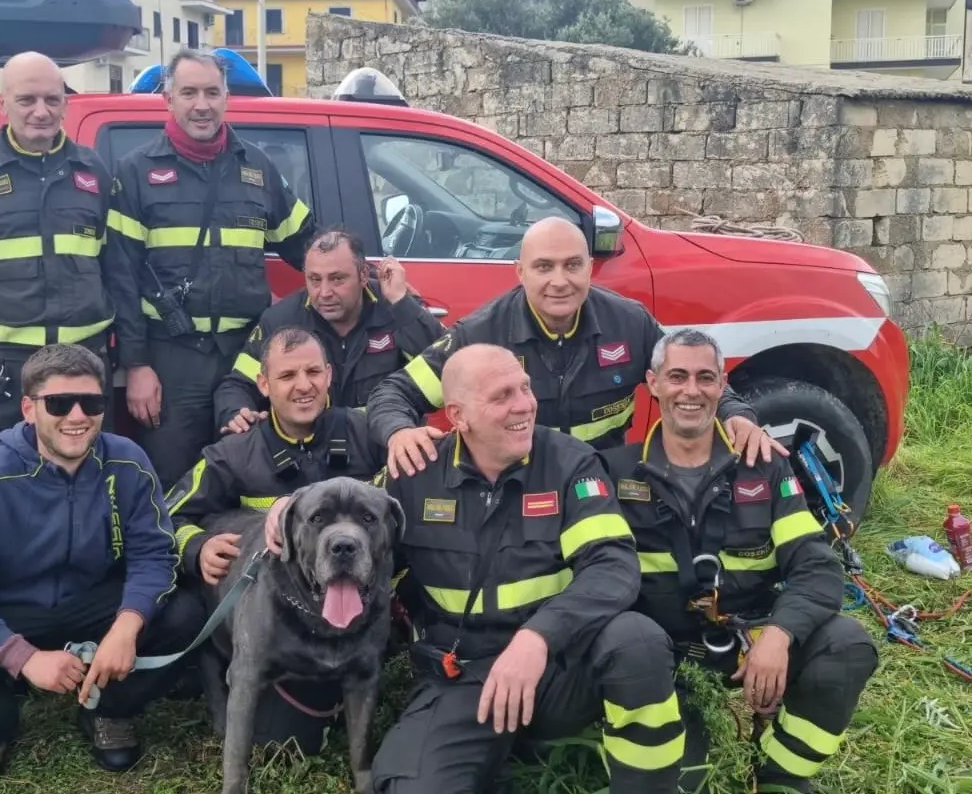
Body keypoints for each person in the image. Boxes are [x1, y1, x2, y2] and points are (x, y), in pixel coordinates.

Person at [266, 344, 685, 794]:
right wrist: (291, 506)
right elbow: (354, 516)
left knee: (636, 641)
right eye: (502, 396)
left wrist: (539, 637)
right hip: (463, 678)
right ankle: (491, 755)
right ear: (458, 416)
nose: (523, 404)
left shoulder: (569, 462)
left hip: (559, 669)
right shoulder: (417, 472)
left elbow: (612, 565)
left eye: (524, 388)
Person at [0, 343, 206, 789]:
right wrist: (23, 657)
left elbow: (154, 554)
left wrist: (127, 626)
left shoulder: (129, 462)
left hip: (92, 602)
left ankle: (107, 709)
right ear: (28, 408)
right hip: (8, 608)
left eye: (93, 402)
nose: (78, 416)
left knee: (185, 615)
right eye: (60, 403)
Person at [601, 328, 877, 794]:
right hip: (659, 660)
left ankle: (782, 777)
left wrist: (779, 636)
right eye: (677, 376)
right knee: (686, 780)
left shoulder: (765, 466)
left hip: (746, 643)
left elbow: (816, 566)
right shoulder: (612, 472)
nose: (691, 391)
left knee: (846, 643)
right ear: (652, 383)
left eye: (706, 377)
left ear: (722, 384)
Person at [367, 216, 781, 480]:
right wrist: (399, 431)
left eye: (572, 265)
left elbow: (690, 375)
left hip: (605, 478)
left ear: (589, 266)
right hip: (517, 482)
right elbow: (393, 393)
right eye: (544, 267)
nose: (560, 281)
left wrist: (738, 416)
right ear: (520, 272)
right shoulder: (481, 333)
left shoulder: (629, 323)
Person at [164, 326, 388, 755]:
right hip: (275, 622)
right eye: (287, 376)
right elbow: (167, 515)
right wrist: (197, 548)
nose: (303, 386)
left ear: (329, 376)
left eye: (312, 372)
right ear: (263, 385)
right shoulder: (233, 453)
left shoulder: (366, 431)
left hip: (358, 610)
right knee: (285, 742)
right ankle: (220, 665)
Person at [107, 48, 317, 486]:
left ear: (226, 97)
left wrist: (364, 276)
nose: (201, 104)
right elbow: (121, 279)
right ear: (168, 98)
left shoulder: (256, 167)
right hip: (171, 360)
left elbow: (306, 244)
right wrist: (137, 367)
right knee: (172, 480)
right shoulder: (135, 173)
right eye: (188, 92)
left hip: (245, 356)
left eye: (211, 92)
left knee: (255, 475)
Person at [0, 51, 126, 460]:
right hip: (4, 362)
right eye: (27, 100)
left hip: (83, 357)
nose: (41, 111)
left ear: (65, 103)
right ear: (2, 103)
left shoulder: (93, 171)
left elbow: (115, 265)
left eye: (52, 100)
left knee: (87, 466)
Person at [212, 229, 444, 436]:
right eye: (314, 279)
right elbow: (237, 385)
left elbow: (444, 369)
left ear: (363, 275)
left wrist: (402, 303)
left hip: (381, 446)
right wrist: (236, 412)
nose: (324, 292)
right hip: (309, 454)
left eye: (337, 279)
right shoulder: (280, 320)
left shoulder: (396, 308)